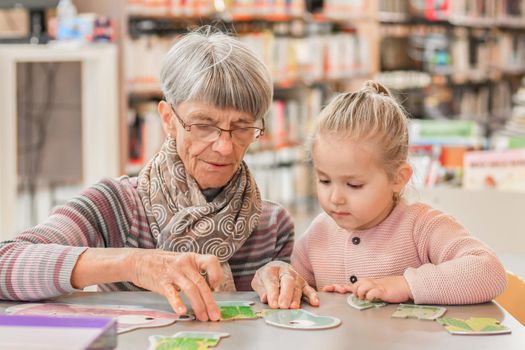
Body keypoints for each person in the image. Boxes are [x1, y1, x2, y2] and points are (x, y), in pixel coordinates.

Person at [0, 26, 318, 322]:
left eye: (242, 127)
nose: (224, 146)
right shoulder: (116, 205)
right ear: (168, 119)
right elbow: (5, 263)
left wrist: (282, 277)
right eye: (204, 125)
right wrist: (136, 262)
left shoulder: (272, 225)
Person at [291, 81, 507, 304]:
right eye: (324, 180)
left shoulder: (421, 227)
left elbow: (490, 271)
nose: (335, 198)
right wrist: (289, 282)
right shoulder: (317, 234)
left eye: (354, 185)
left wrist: (406, 285)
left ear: (398, 178)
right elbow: (293, 284)